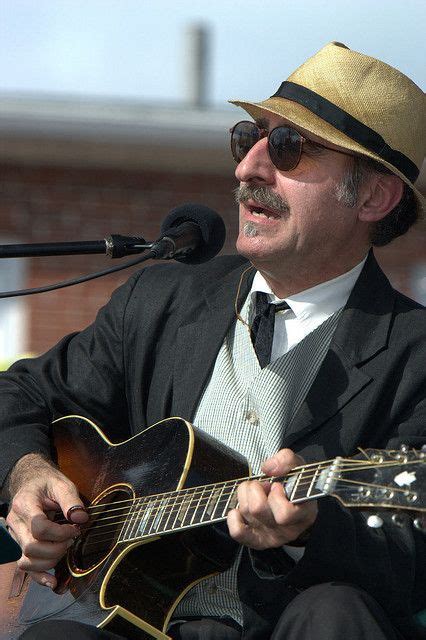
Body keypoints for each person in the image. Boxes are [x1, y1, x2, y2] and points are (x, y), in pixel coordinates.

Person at [0, 41, 425, 640]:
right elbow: (18, 393)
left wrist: (310, 531)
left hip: (291, 626)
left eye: (287, 147)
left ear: (375, 196)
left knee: (334, 613)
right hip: (129, 623)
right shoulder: (163, 299)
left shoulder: (416, 354)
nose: (247, 167)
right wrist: (25, 473)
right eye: (248, 138)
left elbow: (414, 556)